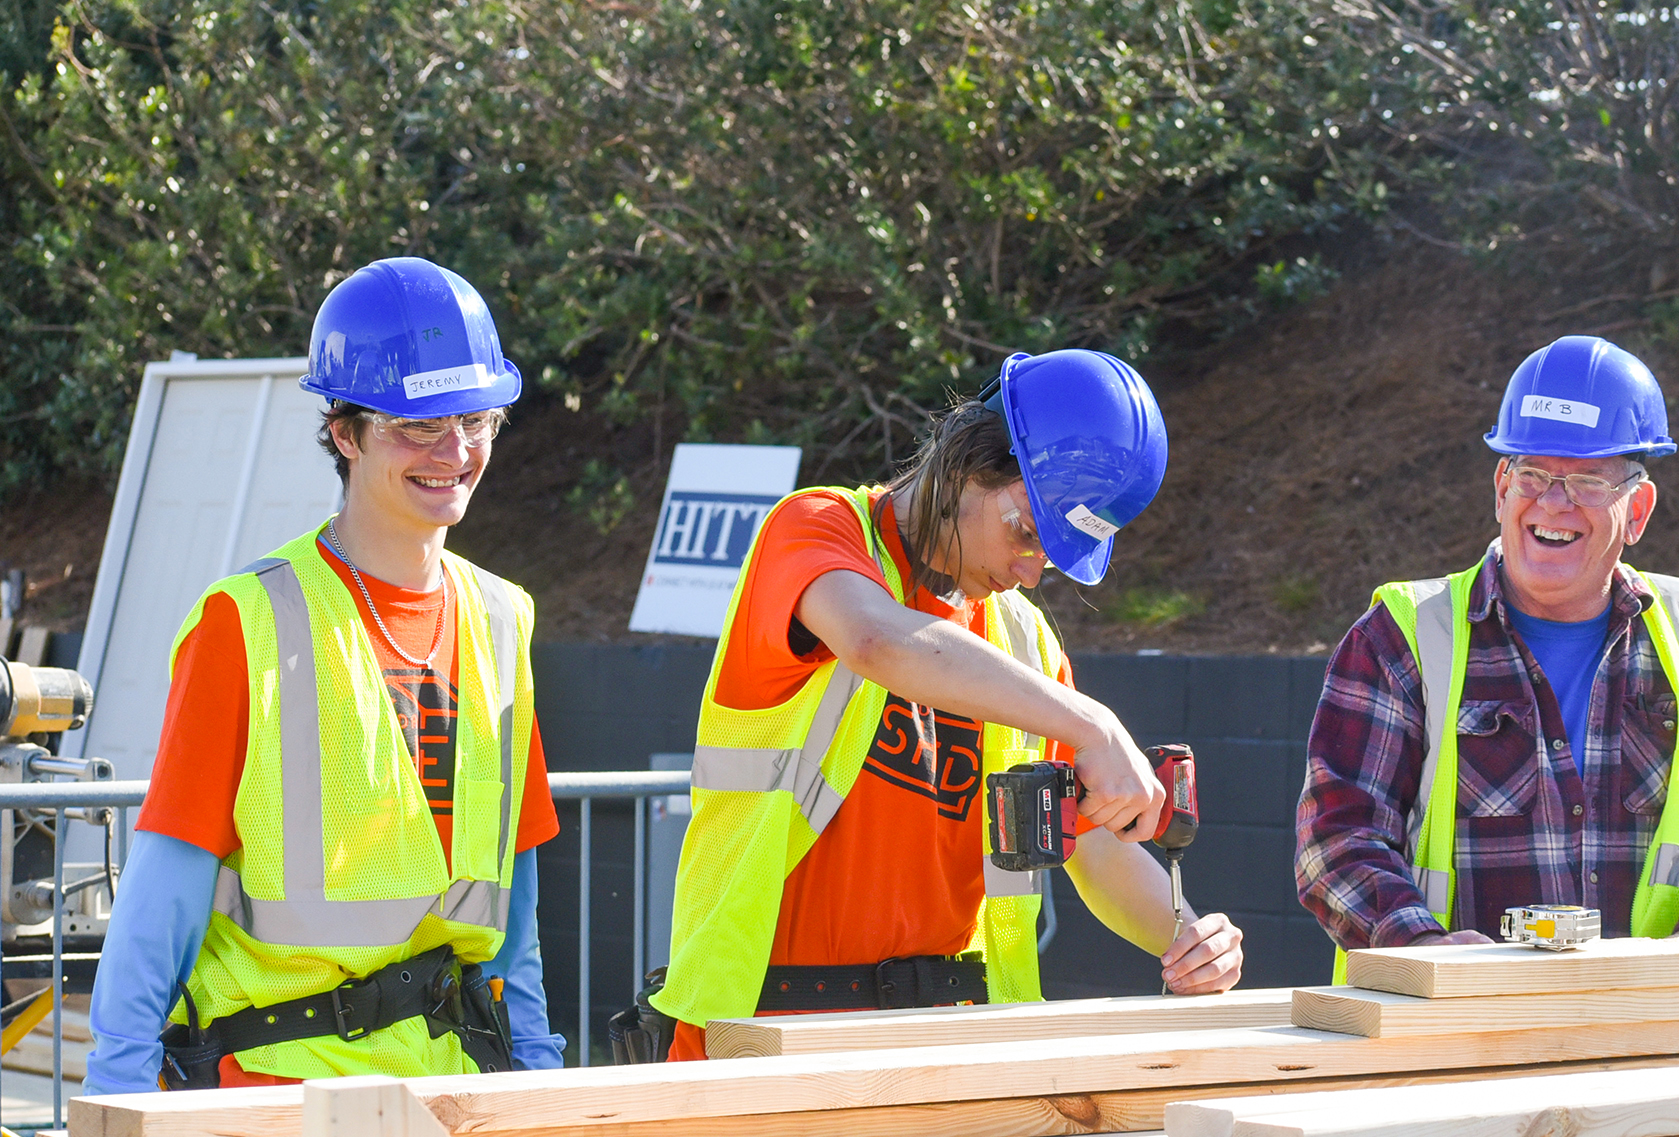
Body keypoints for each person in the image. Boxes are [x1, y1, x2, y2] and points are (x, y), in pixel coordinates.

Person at [644, 349, 1245, 1061]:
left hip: (943, 1043)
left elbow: (1097, 843)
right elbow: (874, 638)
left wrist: (1185, 937)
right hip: (765, 1032)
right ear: (966, 460)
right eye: (1027, 532)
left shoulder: (1023, 643)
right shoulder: (817, 531)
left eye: (1052, 557)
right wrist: (1093, 723)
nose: (1030, 570)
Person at [86, 257, 564, 1091]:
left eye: (477, 420)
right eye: (418, 426)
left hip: (451, 1077)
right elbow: (162, 894)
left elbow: (511, 906)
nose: (454, 452)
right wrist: (119, 1091)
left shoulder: (501, 618)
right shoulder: (247, 623)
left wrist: (536, 1062)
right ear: (344, 432)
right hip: (272, 1082)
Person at [1296, 335, 1679, 975]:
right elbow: (1338, 841)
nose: (1553, 502)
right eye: (1533, 475)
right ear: (1502, 487)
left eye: (1586, 480)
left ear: (1636, 510)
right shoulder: (1402, 637)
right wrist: (1420, 948)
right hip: (1450, 1036)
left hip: (1649, 1030)